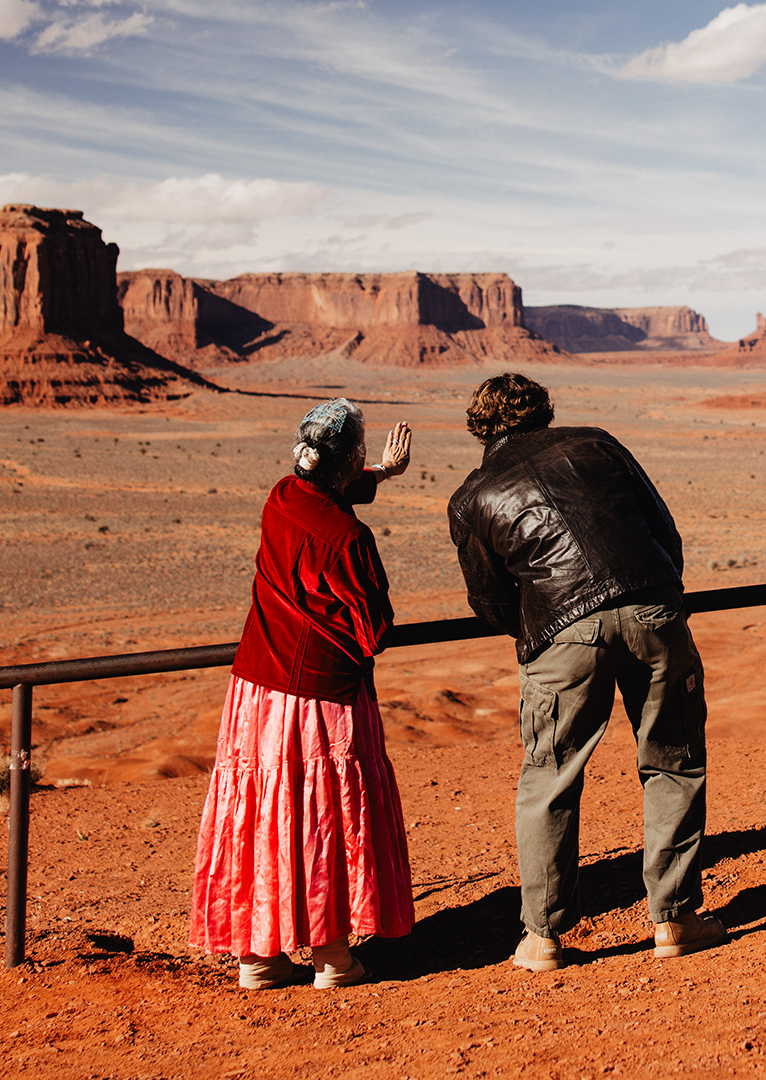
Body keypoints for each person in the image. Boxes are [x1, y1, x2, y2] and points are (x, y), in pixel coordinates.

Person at [447, 373, 724, 972]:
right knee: (673, 761)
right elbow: (663, 531)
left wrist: (546, 627)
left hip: (560, 635)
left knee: (550, 777)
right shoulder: (597, 443)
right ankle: (675, 919)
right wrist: (659, 598)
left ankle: (543, 938)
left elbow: (489, 602)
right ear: (543, 411)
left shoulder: (472, 497)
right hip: (652, 610)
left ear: (479, 427)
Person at [189, 399, 416, 990]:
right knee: (322, 814)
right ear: (350, 460)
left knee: (263, 814)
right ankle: (333, 957)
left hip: (256, 693)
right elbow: (375, 630)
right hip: (322, 697)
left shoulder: (281, 497)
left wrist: (381, 475)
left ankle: (258, 957)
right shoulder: (350, 539)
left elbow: (326, 494)